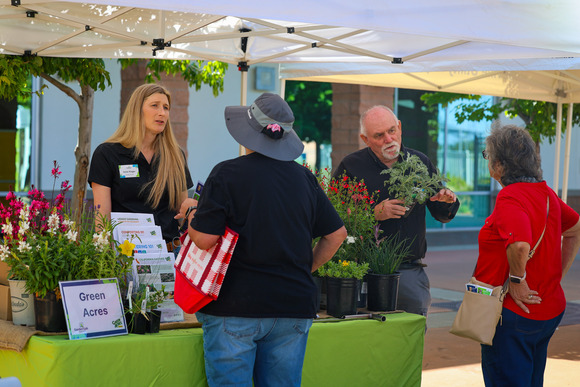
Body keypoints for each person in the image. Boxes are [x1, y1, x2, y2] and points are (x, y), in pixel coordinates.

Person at [185, 93, 347, 387]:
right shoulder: (304, 178)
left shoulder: (227, 173)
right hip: (293, 305)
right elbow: (337, 234)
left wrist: (191, 219)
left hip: (234, 306)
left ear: (247, 134)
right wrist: (303, 266)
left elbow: (205, 239)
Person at [475, 124, 580, 386]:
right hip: (546, 308)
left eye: (488, 157)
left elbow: (520, 245)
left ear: (499, 165)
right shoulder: (546, 195)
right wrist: (557, 275)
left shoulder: (510, 197)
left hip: (511, 313)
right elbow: (575, 230)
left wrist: (518, 281)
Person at [333, 105, 459, 316]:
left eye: (392, 131)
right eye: (379, 135)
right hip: (362, 271)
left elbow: (441, 213)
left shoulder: (419, 162)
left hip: (409, 272)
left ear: (400, 127)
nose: (388, 139)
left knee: (410, 339)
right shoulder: (350, 167)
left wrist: (447, 201)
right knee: (366, 342)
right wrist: (372, 214)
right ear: (365, 139)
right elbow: (333, 219)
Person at [88, 83, 194, 252]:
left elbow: (182, 211)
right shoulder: (107, 154)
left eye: (166, 107)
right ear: (137, 110)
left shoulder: (175, 156)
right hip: (126, 257)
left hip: (171, 255)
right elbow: (102, 222)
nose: (162, 113)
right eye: (155, 106)